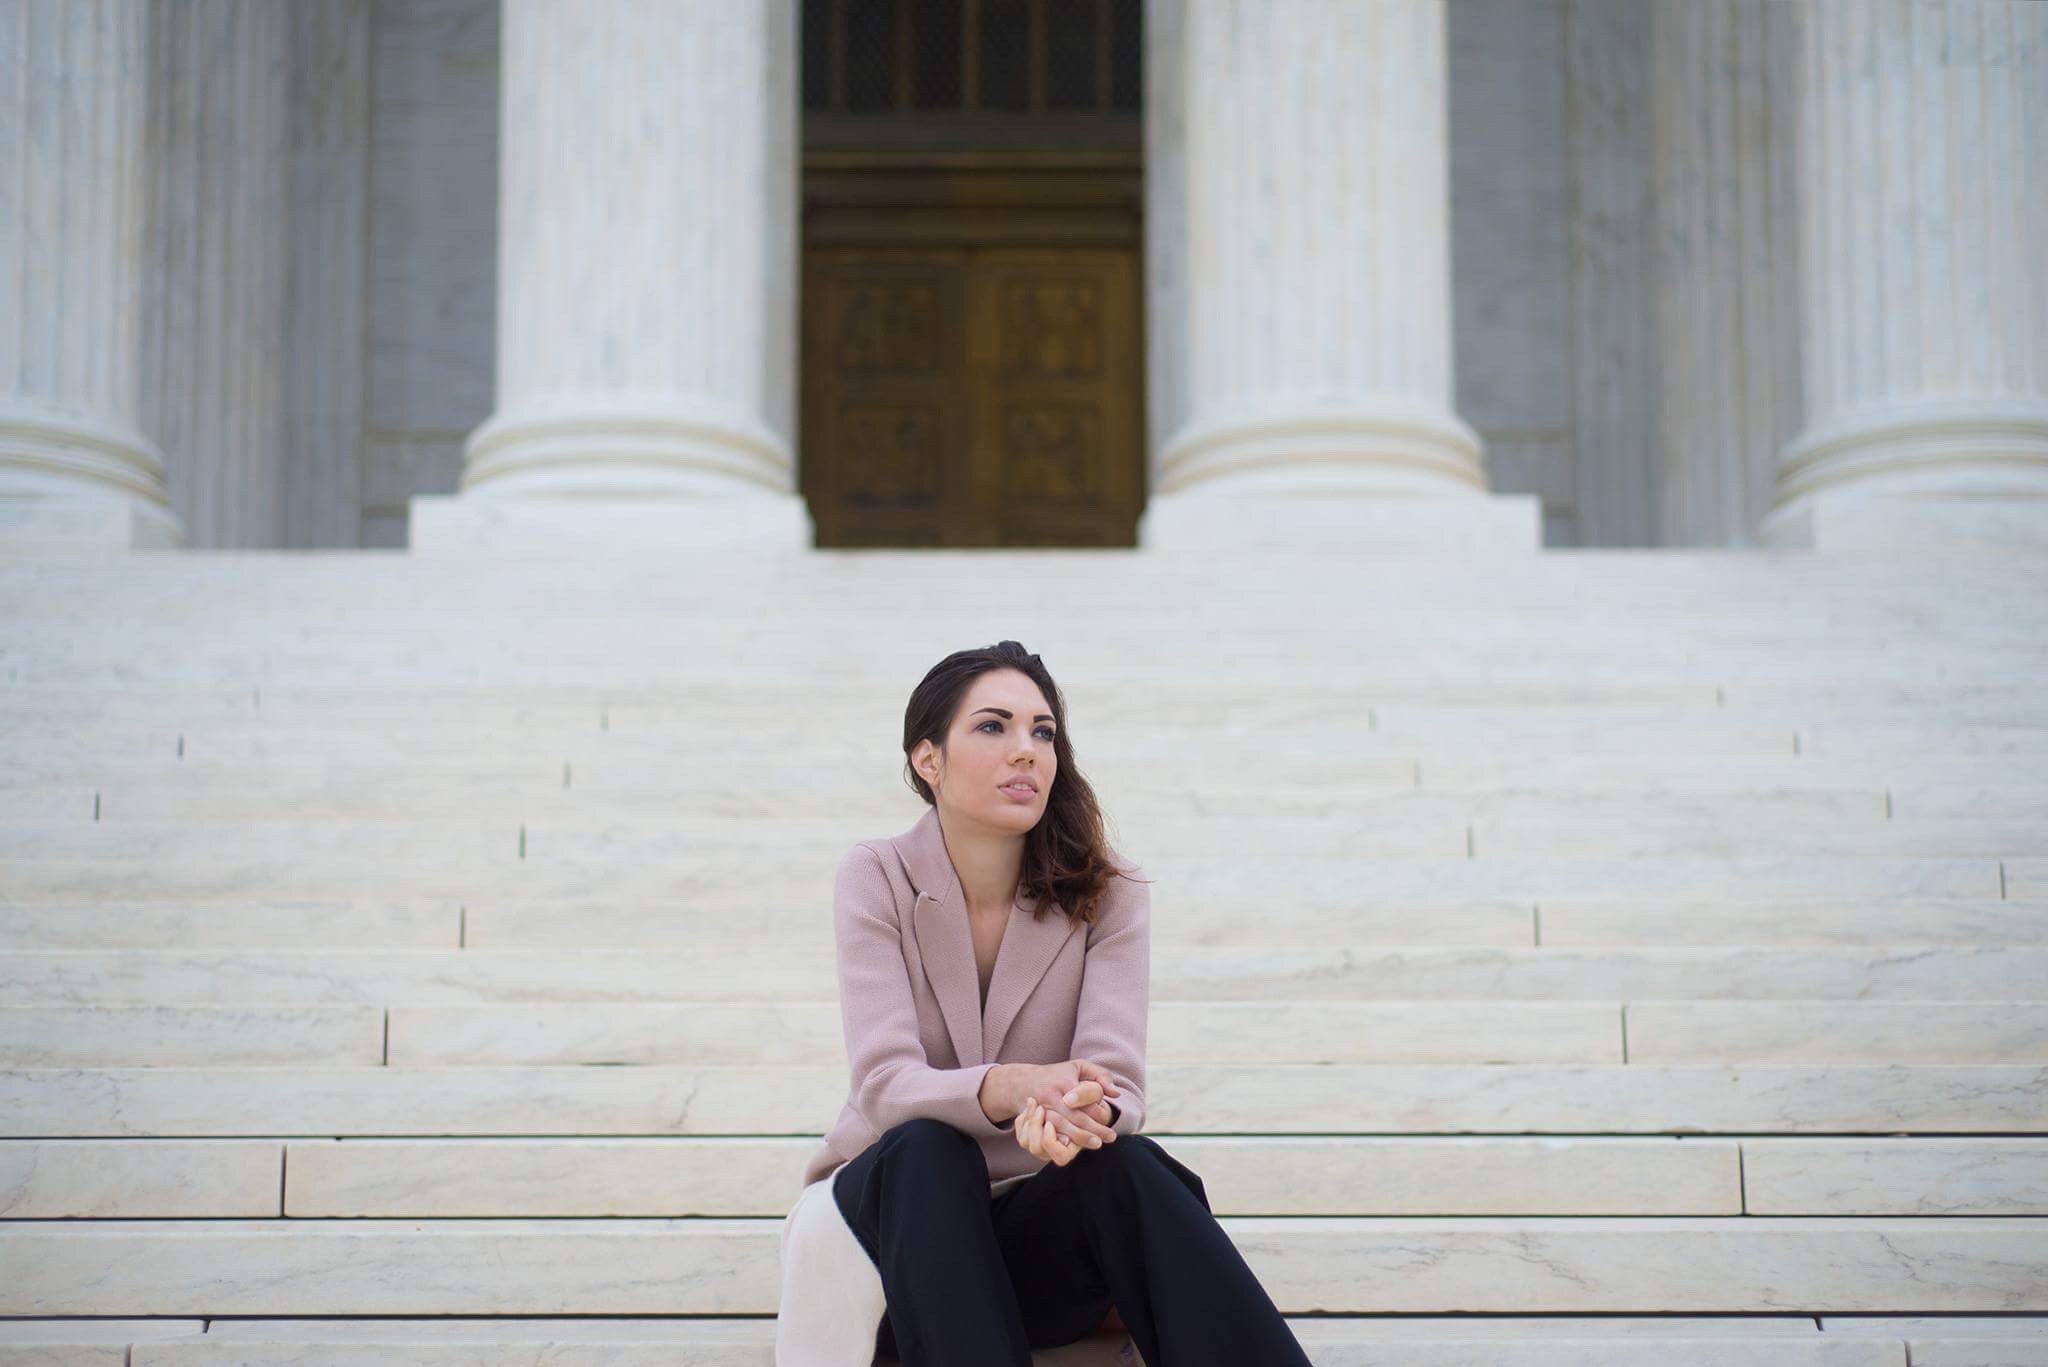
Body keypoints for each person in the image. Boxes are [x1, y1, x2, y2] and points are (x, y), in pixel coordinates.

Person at [775, 641, 1311, 1366]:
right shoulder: (878, 875)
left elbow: (1117, 1084)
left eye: (1042, 731)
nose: (1025, 749)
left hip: (1029, 1252)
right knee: (929, 1149)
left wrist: (1079, 1106)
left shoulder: (1111, 889)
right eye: (993, 726)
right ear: (927, 760)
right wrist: (1015, 1085)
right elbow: (884, 1087)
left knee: (1128, 1165)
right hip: (893, 1243)